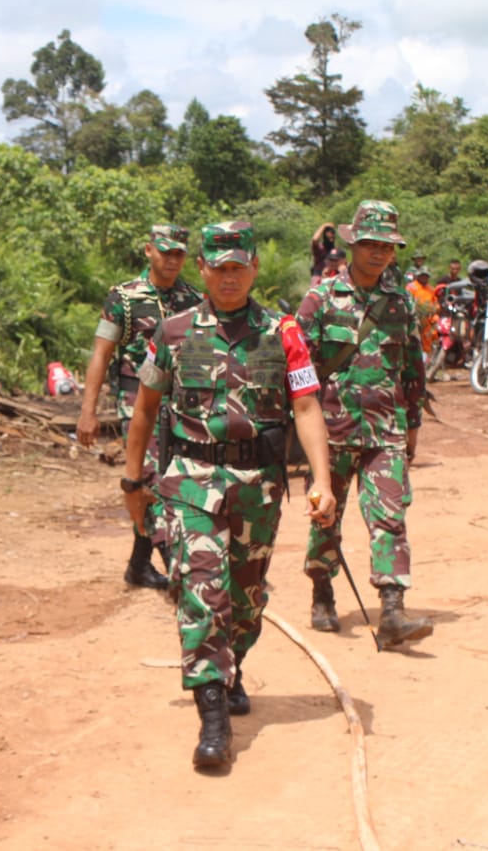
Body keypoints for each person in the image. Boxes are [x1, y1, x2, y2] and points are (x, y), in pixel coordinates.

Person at [123, 221, 335, 769]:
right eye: (219, 267)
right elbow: (144, 410)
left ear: (255, 269)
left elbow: (307, 408)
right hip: (190, 479)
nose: (229, 277)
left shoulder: (283, 330)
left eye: (239, 267)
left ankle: (231, 663)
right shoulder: (172, 332)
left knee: (246, 600)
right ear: (204, 270)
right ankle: (212, 716)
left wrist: (322, 480)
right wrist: (133, 482)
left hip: (258, 488)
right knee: (202, 592)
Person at [296, 200, 433, 648]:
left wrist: (411, 424)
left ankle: (392, 609)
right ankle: (322, 592)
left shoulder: (402, 305)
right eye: (370, 244)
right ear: (353, 244)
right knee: (325, 520)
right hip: (330, 434)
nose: (378, 253)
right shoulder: (320, 300)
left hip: (384, 432)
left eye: (387, 247)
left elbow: (412, 368)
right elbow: (297, 372)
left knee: (390, 518)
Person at [77, 225, 201, 590]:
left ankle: (138, 565)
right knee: (148, 478)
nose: (173, 260)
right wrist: (88, 411)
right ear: (149, 250)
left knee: (172, 479)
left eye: (179, 253)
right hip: (137, 401)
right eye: (166, 252)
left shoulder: (193, 299)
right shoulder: (124, 299)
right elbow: (101, 354)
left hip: (180, 402)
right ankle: (177, 569)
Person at [406, 266, 439, 357]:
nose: (424, 278)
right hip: (414, 318)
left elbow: (435, 303)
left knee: (428, 340)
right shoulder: (411, 287)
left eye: (426, 276)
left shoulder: (431, 289)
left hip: (427, 320)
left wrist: (434, 311)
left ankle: (425, 361)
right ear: (418, 276)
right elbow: (407, 301)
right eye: (422, 276)